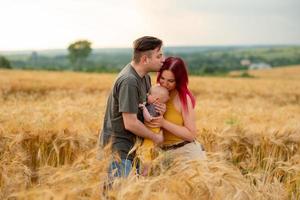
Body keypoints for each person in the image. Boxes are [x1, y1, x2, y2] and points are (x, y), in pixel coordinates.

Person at [99, 36, 166, 179]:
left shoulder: (145, 77)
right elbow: (130, 123)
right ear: (145, 59)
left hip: (133, 150)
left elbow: (143, 109)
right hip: (118, 151)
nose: (163, 59)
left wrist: (158, 111)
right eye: (159, 56)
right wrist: (156, 138)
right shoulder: (129, 81)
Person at [149, 56, 206, 164]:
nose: (165, 84)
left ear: (179, 80)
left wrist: (163, 123)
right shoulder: (154, 92)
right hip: (161, 155)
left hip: (185, 153)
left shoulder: (183, 98)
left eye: (170, 81)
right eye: (162, 78)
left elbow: (191, 134)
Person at [136, 85, 169, 175]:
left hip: (151, 134)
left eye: (149, 94)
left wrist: (143, 108)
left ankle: (145, 171)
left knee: (146, 153)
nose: (147, 95)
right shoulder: (157, 107)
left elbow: (149, 118)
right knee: (148, 153)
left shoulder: (153, 108)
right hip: (153, 132)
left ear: (156, 99)